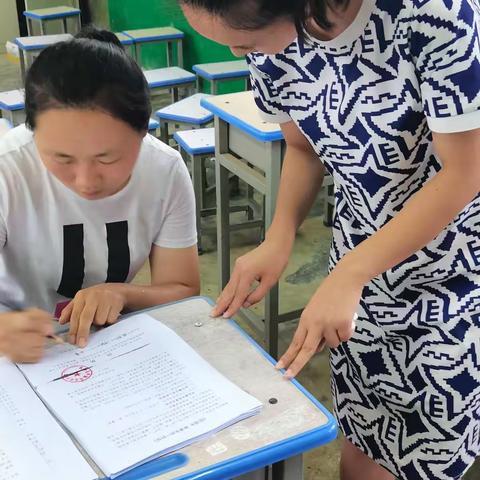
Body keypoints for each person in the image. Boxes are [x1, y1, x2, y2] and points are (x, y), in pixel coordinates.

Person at [180, 0, 480, 479]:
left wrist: (351, 273)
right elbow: (302, 147)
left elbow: (465, 173)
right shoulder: (270, 44)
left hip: (451, 283)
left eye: (246, 43)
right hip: (356, 280)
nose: (243, 55)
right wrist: (279, 234)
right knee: (361, 437)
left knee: (422, 452)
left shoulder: (432, 16)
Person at [0, 27, 199, 363]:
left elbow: (182, 290)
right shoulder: (8, 170)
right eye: (61, 159)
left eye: (107, 158)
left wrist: (121, 294)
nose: (85, 181)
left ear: (143, 132)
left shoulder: (164, 169)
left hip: (108, 348)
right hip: (19, 356)